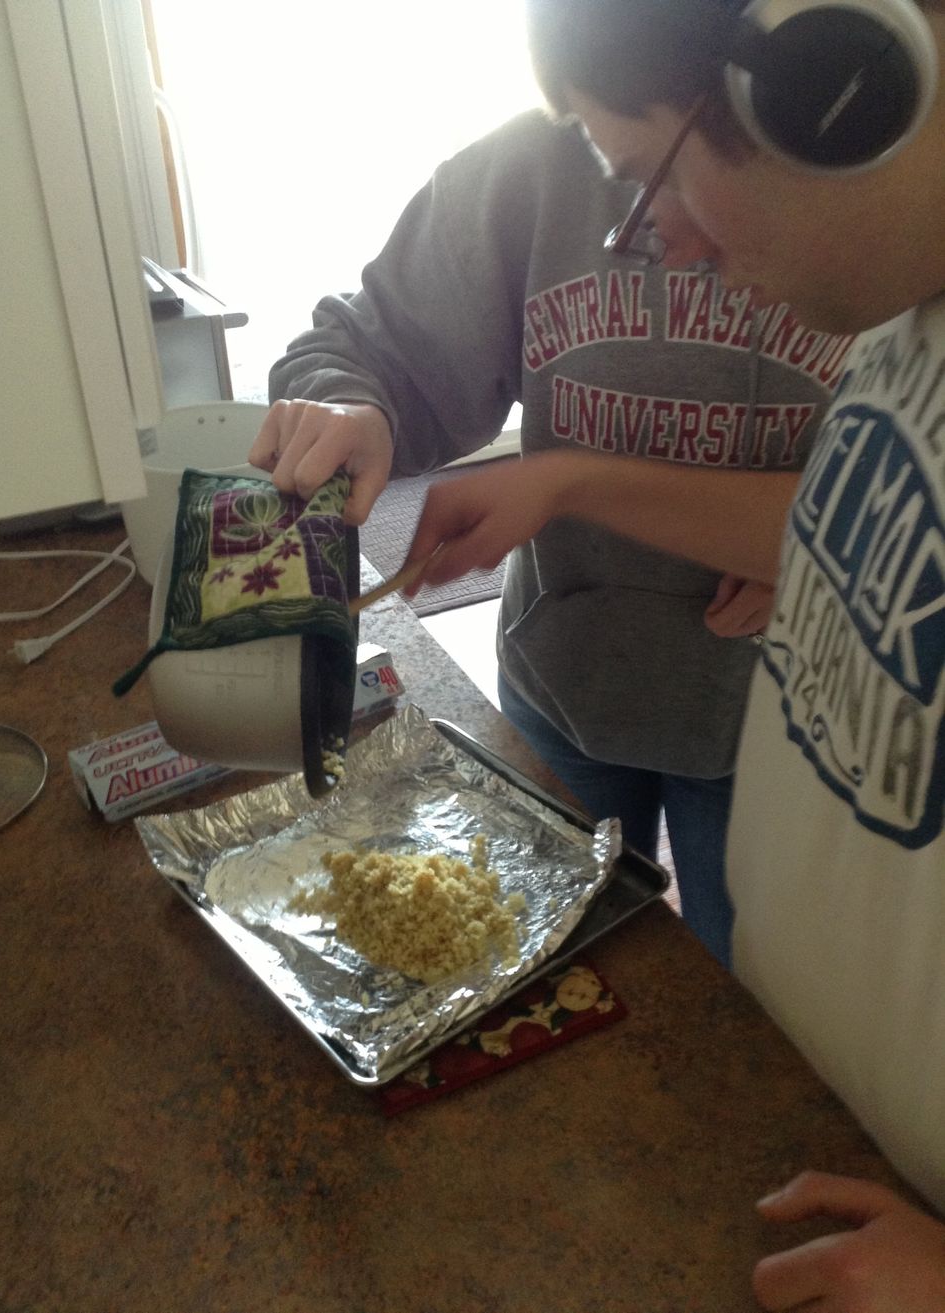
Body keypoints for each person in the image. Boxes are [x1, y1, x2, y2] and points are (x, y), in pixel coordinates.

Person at [401, 0, 945, 1307]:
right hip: (820, 1131)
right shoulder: (897, 314)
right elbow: (827, 523)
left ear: (823, 84)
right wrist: (571, 480)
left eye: (654, 177)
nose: (675, 243)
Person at [250, 77, 852, 971]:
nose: (673, 244)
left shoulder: (880, 165)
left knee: (764, 1020)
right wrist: (354, 408)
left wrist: (827, 533)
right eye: (637, 181)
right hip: (570, 674)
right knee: (554, 979)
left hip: (804, 717)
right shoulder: (537, 156)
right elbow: (365, 344)